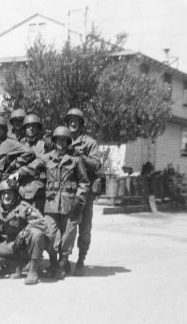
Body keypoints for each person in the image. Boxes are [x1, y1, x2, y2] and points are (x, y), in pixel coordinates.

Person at [0, 180, 48, 285]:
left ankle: (33, 271)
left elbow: (41, 223)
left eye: (9, 193)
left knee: (37, 234)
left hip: (24, 247)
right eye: (4, 193)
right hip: (9, 246)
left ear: (15, 195)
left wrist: (23, 233)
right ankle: (14, 265)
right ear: (0, 196)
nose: (6, 196)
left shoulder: (23, 207)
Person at [41, 126, 90, 279]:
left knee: (68, 235)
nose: (61, 143)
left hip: (70, 204)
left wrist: (79, 199)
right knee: (50, 234)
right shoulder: (46, 158)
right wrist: (18, 173)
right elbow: (33, 168)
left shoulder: (76, 160)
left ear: (68, 142)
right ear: (54, 141)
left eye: (64, 140)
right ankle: (54, 263)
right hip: (51, 204)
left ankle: (63, 263)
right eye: (58, 140)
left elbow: (84, 182)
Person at [65, 108, 102, 276]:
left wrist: (81, 156)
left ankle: (81, 259)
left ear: (81, 124)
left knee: (84, 227)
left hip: (85, 190)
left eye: (76, 121)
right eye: (70, 120)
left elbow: (97, 165)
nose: (73, 123)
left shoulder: (89, 142)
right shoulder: (62, 139)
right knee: (65, 226)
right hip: (67, 189)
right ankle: (63, 259)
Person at [0, 115, 36, 208]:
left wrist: (14, 164)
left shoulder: (10, 143)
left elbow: (29, 153)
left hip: (0, 189)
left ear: (5, 130)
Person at [18, 113, 53, 213]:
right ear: (24, 129)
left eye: (34, 126)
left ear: (39, 129)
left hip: (39, 188)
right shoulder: (20, 145)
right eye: (28, 127)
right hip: (22, 188)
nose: (31, 129)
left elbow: (42, 162)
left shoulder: (45, 145)